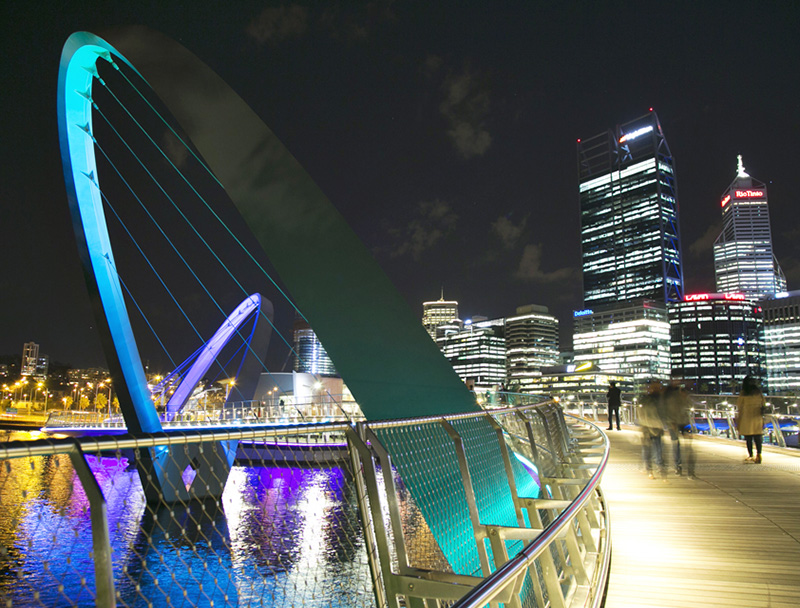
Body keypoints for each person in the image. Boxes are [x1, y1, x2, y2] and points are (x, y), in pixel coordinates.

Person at [664, 381, 694, 476]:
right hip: (673, 422)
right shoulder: (670, 395)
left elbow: (689, 405)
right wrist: (670, 422)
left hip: (683, 422)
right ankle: (678, 465)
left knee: (687, 445)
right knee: (676, 444)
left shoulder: (683, 394)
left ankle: (688, 468)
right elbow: (666, 409)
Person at [638, 380, 667, 479]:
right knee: (651, 448)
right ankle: (650, 468)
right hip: (650, 426)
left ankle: (655, 468)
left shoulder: (656, 399)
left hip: (655, 426)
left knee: (656, 448)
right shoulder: (648, 399)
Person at [735, 375, 765, 464]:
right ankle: (759, 454)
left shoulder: (744, 393)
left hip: (746, 417)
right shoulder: (758, 392)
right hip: (757, 417)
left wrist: (738, 419)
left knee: (748, 437)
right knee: (758, 436)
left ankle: (751, 455)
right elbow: (763, 403)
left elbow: (739, 406)